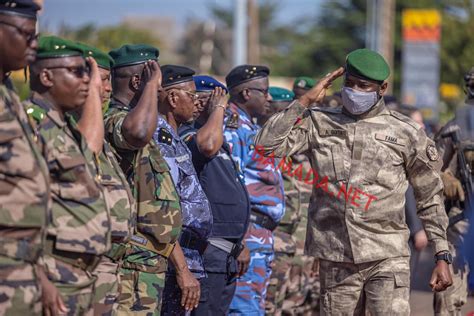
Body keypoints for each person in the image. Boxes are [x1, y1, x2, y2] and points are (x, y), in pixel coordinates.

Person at [255, 48, 453, 315]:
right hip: (336, 258)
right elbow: (266, 147)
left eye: (363, 86)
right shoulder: (319, 123)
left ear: (382, 88)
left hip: (387, 256)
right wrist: (306, 100)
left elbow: (430, 197)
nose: (354, 91)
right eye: (349, 83)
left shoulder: (405, 133)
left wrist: (441, 255)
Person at [26, 35, 110, 315]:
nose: (87, 80)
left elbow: (91, 150)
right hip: (50, 274)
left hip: (78, 275)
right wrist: (40, 278)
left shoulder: (63, 127)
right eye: (77, 72)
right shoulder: (30, 125)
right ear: (47, 76)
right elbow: (16, 208)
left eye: (88, 73)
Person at [104, 44, 184, 315]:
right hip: (130, 264)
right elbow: (135, 133)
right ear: (138, 81)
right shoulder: (112, 119)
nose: (161, 90)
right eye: (158, 82)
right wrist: (151, 86)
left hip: (149, 262)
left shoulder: (144, 122)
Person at [0, 2, 65, 315]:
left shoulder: (9, 93)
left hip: (21, 266)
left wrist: (39, 273)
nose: (34, 43)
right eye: (26, 34)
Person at [178, 75, 251, 315]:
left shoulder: (217, 138)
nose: (223, 107)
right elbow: (207, 145)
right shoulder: (189, 135)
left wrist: (240, 243)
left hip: (225, 254)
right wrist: (217, 109)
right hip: (205, 253)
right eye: (213, 100)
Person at [75, 43, 136, 316]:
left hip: (110, 263)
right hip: (77, 266)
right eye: (103, 80)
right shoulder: (64, 128)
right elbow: (87, 151)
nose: (108, 89)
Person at [223, 65, 285, 315]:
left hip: (260, 235)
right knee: (243, 308)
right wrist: (239, 242)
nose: (269, 98)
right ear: (247, 93)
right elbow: (231, 189)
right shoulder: (233, 129)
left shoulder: (250, 128)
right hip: (247, 234)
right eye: (265, 91)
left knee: (254, 307)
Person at [155, 65, 213, 315]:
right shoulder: (158, 138)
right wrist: (182, 269)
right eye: (192, 95)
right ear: (172, 97)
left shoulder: (174, 137)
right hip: (172, 260)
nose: (196, 102)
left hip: (188, 255)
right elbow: (160, 210)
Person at [434, 67, 474, 316]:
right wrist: (444, 177)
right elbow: (427, 173)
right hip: (461, 224)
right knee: (448, 299)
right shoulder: (456, 128)